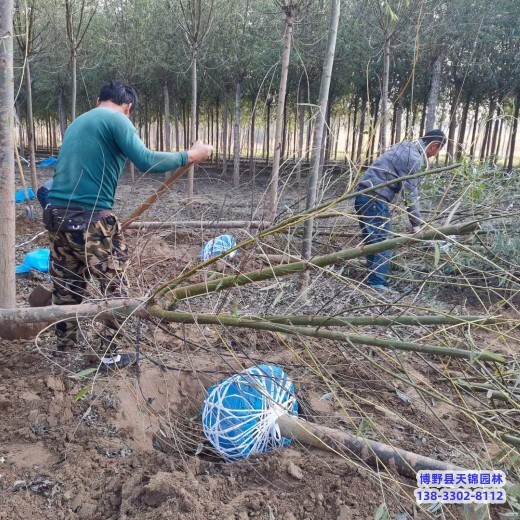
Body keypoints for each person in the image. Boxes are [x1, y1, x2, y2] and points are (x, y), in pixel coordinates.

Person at [44, 80, 213, 369]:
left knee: (67, 288)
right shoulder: (116, 119)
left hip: (57, 218)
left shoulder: (78, 122)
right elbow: (146, 160)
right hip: (90, 220)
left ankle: (63, 351)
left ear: (99, 98)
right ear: (128, 107)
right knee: (116, 289)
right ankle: (110, 356)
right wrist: (192, 155)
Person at [354, 129, 447, 292]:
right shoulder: (413, 158)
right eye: (439, 149)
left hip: (363, 195)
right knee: (385, 242)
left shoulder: (405, 147)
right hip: (374, 199)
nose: (436, 154)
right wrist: (416, 225)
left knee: (373, 241)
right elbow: (410, 194)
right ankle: (377, 284)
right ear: (434, 146)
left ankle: (374, 277)